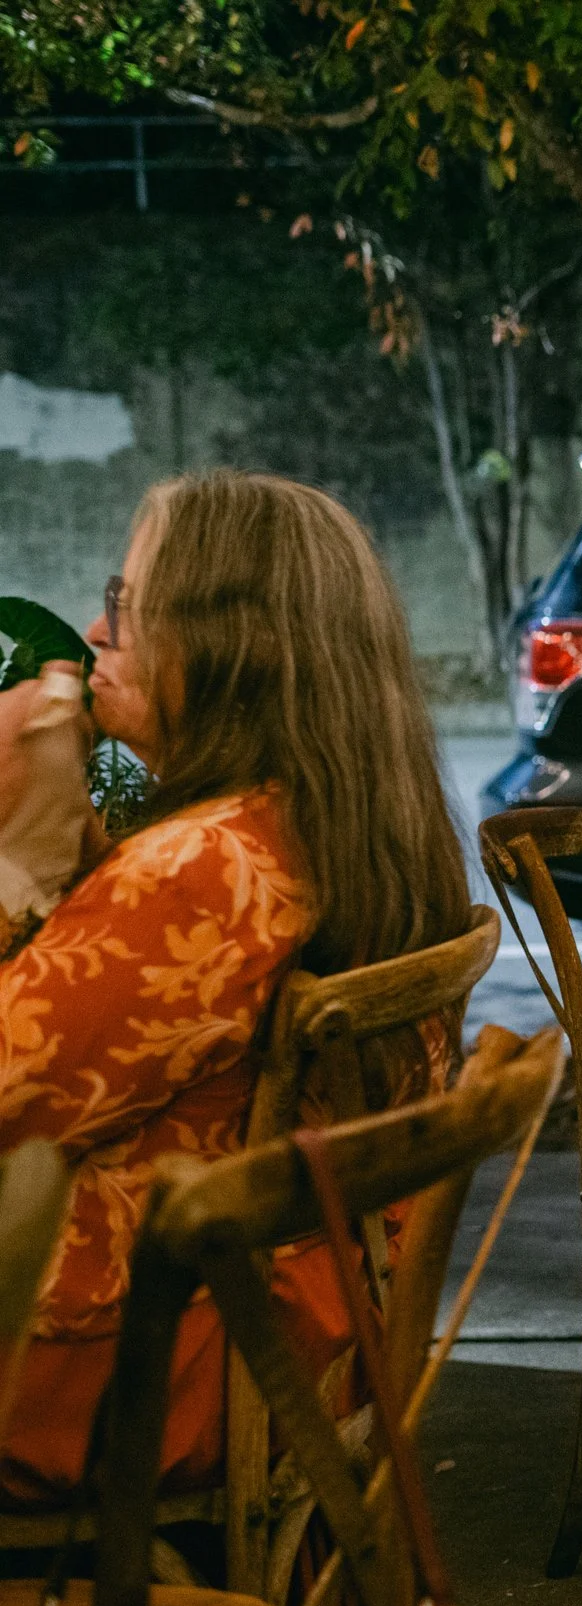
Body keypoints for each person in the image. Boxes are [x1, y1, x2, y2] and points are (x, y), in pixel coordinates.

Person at [0, 471, 473, 1508]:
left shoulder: (196, 870)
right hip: (283, 1320)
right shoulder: (334, 821)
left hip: (136, 1358)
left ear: (233, 641)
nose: (89, 630)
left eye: (123, 607)